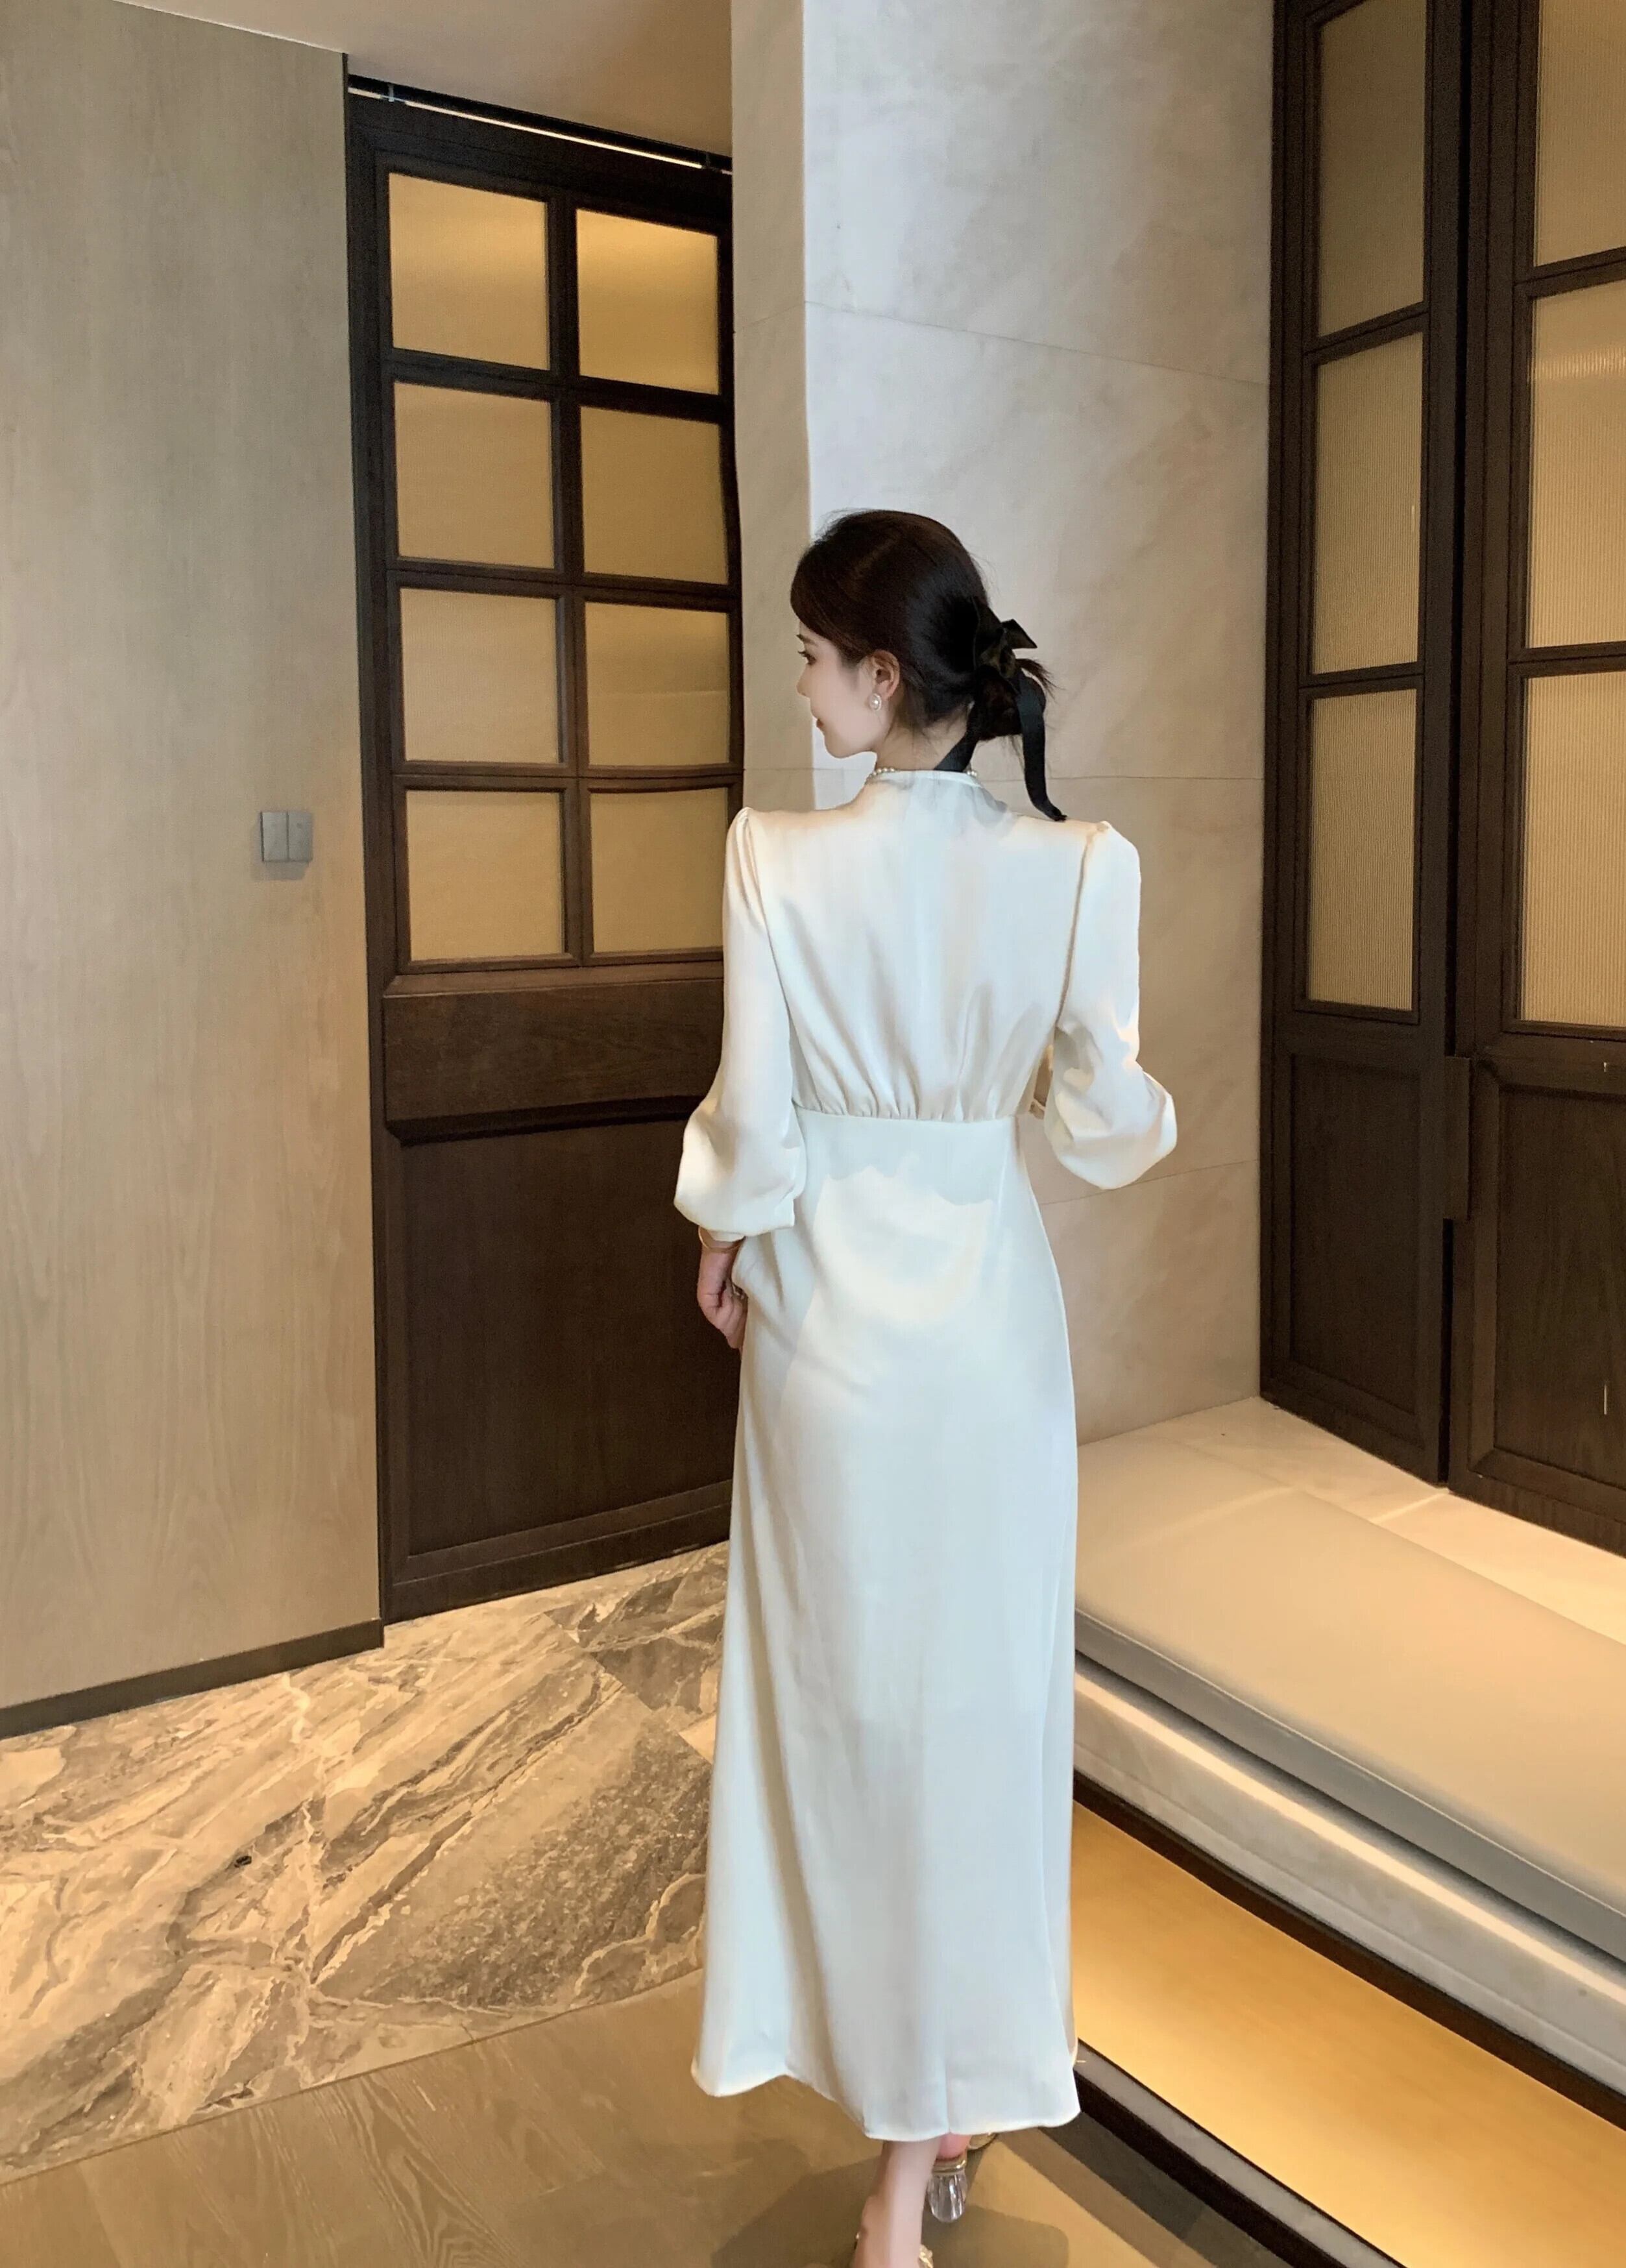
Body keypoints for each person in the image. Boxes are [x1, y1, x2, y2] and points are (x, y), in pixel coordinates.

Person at [672, 510, 1177, 2268]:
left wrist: (724, 1237)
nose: (803, 686)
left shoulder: (772, 861)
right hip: (986, 1339)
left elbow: (754, 1125)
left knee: (841, 1723)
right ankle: (936, 2120)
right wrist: (1018, 1067)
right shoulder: (1081, 867)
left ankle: (899, 2142)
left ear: (884, 677)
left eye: (815, 657)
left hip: (827, 1334)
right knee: (979, 1723)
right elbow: (1107, 1128)